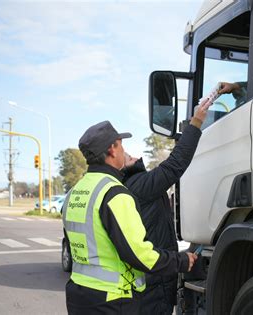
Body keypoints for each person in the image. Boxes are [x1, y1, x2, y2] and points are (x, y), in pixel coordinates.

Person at [62, 121, 198, 314]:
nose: (125, 150)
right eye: (121, 145)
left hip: (80, 296)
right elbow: (139, 255)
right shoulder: (114, 194)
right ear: (112, 149)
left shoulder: (75, 193)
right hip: (112, 300)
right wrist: (181, 261)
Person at [122, 98, 213, 314]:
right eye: (126, 155)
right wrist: (196, 124)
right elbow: (174, 165)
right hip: (156, 279)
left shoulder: (134, 185)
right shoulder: (138, 185)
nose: (133, 154)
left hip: (152, 276)